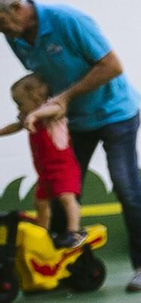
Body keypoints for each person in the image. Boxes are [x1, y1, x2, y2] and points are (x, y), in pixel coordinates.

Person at [0, 0, 141, 292]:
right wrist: (32, 110)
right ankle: (63, 266)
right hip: (73, 120)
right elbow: (41, 82)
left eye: (0, 23)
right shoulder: (14, 35)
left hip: (116, 114)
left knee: (127, 187)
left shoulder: (67, 21)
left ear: (16, 9)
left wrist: (65, 98)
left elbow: (112, 66)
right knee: (63, 188)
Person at [2, 74, 84, 247]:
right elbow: (16, 126)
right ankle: (43, 231)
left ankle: (74, 231)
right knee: (40, 202)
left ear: (36, 99)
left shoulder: (53, 114)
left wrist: (35, 115)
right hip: (45, 171)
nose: (19, 109)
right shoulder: (29, 117)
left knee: (66, 198)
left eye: (20, 104)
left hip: (63, 168)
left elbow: (53, 109)